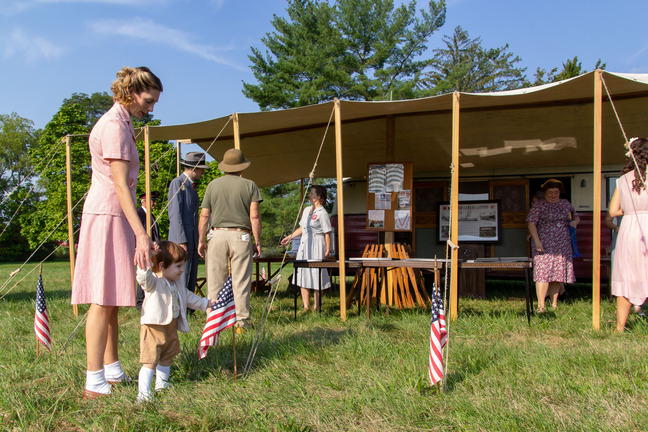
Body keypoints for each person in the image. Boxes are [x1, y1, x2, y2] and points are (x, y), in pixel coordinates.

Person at [71, 66, 162, 399]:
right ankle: (93, 379)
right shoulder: (115, 126)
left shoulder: (122, 122)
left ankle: (110, 367)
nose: (150, 109)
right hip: (109, 215)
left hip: (112, 214)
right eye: (148, 101)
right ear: (131, 92)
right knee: (100, 299)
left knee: (109, 297)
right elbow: (122, 187)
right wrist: (142, 234)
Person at [135, 241, 215, 402]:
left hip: (170, 326)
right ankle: (143, 393)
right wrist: (148, 258)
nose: (182, 270)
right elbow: (143, 276)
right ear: (163, 266)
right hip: (153, 327)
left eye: (182, 266)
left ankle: (162, 383)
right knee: (150, 359)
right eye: (178, 266)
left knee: (167, 356)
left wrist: (206, 303)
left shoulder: (176, 284)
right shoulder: (154, 283)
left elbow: (189, 298)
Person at [198, 148, 262, 334]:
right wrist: (257, 242)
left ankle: (213, 321)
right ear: (242, 168)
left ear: (225, 167)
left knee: (214, 280)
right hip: (240, 235)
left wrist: (201, 240)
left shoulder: (212, 185)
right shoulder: (250, 185)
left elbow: (204, 215)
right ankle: (241, 322)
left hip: (216, 235)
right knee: (241, 280)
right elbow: (255, 216)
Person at [609, 137, 648, 331]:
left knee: (627, 275)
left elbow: (613, 211)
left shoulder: (622, 180)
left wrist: (632, 212)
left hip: (629, 228)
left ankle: (620, 327)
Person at [526, 179, 580, 313]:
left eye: (556, 192)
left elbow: (576, 216)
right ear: (545, 193)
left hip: (562, 243)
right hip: (544, 243)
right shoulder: (539, 205)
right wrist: (537, 241)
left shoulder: (565, 204)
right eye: (550, 192)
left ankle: (554, 304)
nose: (553, 195)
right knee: (543, 274)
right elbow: (531, 223)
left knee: (557, 274)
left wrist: (575, 222)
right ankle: (541, 305)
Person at [280, 185, 332, 312]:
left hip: (317, 243)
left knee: (316, 274)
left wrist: (327, 249)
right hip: (305, 244)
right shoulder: (306, 210)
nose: (309, 195)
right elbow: (302, 228)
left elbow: (327, 232)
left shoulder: (322, 213)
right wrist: (289, 237)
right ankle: (306, 306)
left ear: (318, 197)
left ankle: (316, 306)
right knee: (303, 272)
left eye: (312, 193)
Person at [168, 152, 209, 305]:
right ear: (194, 168)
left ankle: (188, 307)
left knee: (191, 274)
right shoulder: (177, 183)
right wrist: (181, 240)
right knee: (181, 276)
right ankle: (179, 308)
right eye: (201, 169)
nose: (202, 173)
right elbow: (174, 214)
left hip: (191, 238)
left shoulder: (189, 185)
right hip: (182, 239)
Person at [136, 191, 160, 311]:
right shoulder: (139, 214)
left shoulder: (152, 216)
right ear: (144, 201)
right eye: (152, 201)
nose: (155, 203)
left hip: (153, 249)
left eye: (155, 201)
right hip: (143, 248)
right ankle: (140, 302)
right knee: (143, 272)